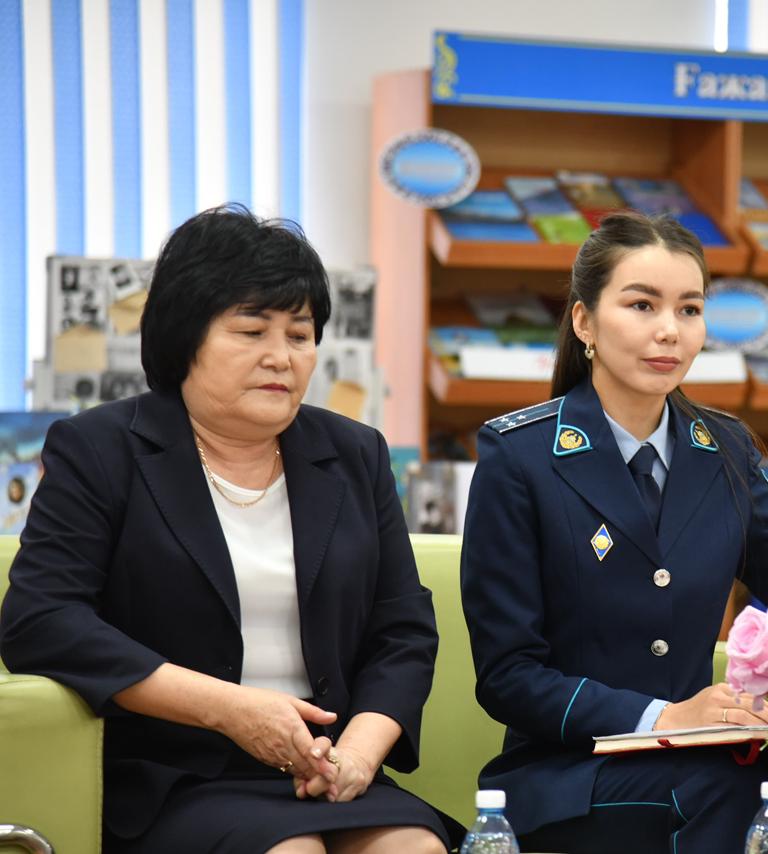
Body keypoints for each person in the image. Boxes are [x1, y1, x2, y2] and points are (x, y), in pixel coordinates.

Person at [0, 206, 462, 854]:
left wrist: (359, 750)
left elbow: (403, 629)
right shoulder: (101, 449)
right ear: (184, 336)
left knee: (414, 848)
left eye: (300, 335)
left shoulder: (354, 453)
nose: (282, 358)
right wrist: (230, 709)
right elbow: (42, 620)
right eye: (251, 331)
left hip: (325, 765)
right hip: (176, 772)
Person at [460, 211, 768, 853]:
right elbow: (508, 675)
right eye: (642, 305)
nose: (669, 330)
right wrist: (664, 718)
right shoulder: (520, 457)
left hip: (704, 755)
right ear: (584, 321)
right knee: (729, 790)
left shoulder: (722, 449)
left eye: (689, 309)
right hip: (569, 774)